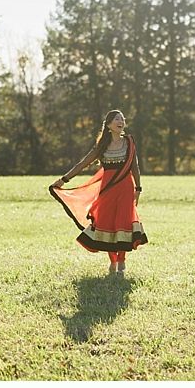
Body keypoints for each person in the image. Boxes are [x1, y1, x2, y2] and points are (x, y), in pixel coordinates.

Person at [50, 110, 148, 274]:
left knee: (123, 222)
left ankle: (122, 260)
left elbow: (134, 167)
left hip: (125, 188)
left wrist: (138, 188)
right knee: (107, 222)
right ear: (109, 124)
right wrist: (64, 179)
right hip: (107, 189)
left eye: (122, 119)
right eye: (117, 119)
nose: (121, 121)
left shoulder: (129, 142)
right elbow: (82, 164)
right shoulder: (102, 146)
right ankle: (113, 260)